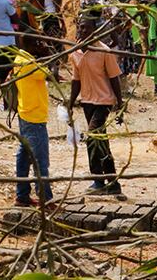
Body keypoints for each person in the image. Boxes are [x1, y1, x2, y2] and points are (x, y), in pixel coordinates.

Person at [65, 13, 126, 198]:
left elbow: (115, 78)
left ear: (96, 31)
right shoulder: (75, 52)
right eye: (81, 27)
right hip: (87, 102)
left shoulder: (104, 51)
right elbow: (76, 80)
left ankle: (98, 180)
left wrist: (120, 104)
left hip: (104, 101)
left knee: (92, 137)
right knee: (101, 141)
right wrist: (71, 101)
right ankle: (113, 181)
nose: (83, 31)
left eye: (87, 28)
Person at [9, 39, 52, 208]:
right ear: (30, 44)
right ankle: (46, 199)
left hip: (25, 112)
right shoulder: (29, 63)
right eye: (39, 43)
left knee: (24, 156)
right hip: (34, 116)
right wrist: (48, 54)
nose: (41, 45)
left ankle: (22, 194)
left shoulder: (20, 58)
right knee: (40, 160)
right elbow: (48, 74)